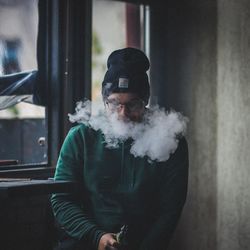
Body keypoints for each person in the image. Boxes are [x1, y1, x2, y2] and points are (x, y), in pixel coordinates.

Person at [51, 47, 189, 250]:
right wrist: (96, 236)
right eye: (114, 104)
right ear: (104, 101)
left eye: (133, 104)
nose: (123, 114)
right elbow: (61, 200)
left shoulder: (170, 141)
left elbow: (169, 210)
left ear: (146, 101)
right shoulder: (81, 137)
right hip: (85, 240)